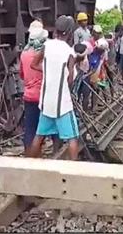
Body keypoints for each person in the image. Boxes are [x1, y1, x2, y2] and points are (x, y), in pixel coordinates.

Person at [29, 15, 80, 160]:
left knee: (39, 137)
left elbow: (34, 64)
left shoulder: (47, 45)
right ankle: (73, 172)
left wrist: (47, 70)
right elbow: (70, 80)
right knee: (72, 138)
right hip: (62, 104)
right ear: (70, 32)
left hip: (46, 103)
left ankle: (29, 165)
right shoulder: (69, 52)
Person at [20, 20, 61, 155]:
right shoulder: (46, 54)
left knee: (30, 129)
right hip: (45, 96)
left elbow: (22, 75)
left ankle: (30, 158)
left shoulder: (24, 54)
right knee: (54, 128)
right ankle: (57, 155)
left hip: (29, 96)